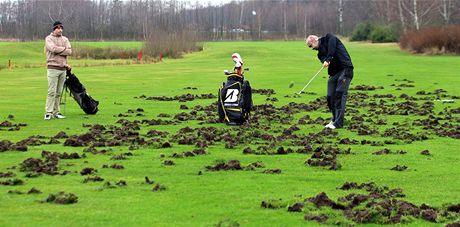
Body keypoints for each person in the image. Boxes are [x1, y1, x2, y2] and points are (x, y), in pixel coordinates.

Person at [306, 33, 354, 129]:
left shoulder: (329, 38)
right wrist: (326, 60)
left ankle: (338, 123)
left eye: (311, 45)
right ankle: (334, 119)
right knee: (330, 97)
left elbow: (332, 48)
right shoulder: (319, 54)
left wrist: (328, 59)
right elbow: (325, 59)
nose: (311, 48)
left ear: (315, 41)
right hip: (334, 73)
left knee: (339, 95)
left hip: (345, 69)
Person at [44, 21, 72, 120]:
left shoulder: (65, 39)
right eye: (58, 28)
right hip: (52, 68)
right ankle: (48, 112)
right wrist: (63, 49)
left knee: (59, 92)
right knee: (51, 91)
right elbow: (52, 49)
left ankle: (56, 112)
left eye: (61, 28)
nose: (60, 29)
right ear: (54, 28)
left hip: (63, 68)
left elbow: (69, 51)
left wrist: (60, 50)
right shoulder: (48, 38)